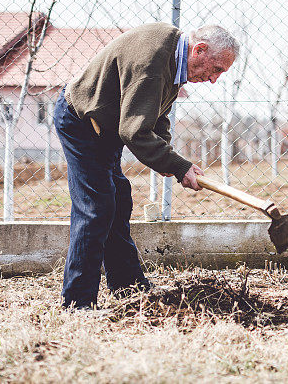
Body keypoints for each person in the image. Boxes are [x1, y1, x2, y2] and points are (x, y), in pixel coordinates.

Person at [54, 22, 238, 309]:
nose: (214, 80)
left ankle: (128, 288)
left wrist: (165, 156)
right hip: (82, 123)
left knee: (118, 201)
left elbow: (155, 114)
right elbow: (135, 131)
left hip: (105, 128)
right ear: (199, 50)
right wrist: (177, 165)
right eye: (216, 69)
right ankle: (77, 302)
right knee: (96, 208)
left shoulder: (174, 59)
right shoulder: (153, 59)